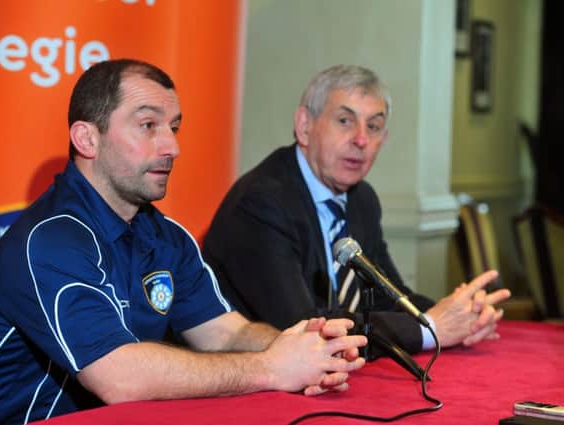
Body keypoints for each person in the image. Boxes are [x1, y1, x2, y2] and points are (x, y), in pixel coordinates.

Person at [0, 59, 368, 424]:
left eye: (174, 127)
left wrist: (304, 346)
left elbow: (223, 333)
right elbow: (120, 378)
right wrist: (270, 368)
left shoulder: (165, 236)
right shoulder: (49, 240)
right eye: (148, 125)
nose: (172, 146)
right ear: (87, 139)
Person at [202, 64, 511, 357]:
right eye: (344, 121)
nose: (361, 140)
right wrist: (430, 329)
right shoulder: (261, 202)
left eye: (373, 126)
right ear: (304, 126)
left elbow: (388, 296)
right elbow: (301, 327)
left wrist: (459, 314)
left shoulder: (361, 199)